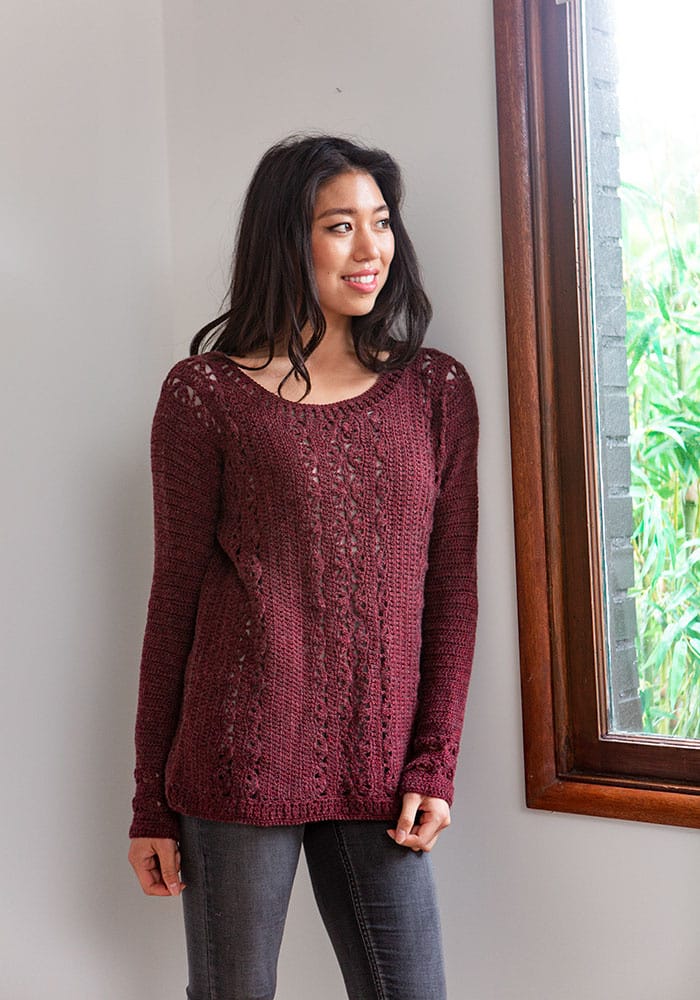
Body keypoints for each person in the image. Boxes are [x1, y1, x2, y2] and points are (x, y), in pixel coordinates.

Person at [128, 132, 479, 1000]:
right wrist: (149, 800)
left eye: (382, 223)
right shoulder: (205, 396)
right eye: (339, 226)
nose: (372, 250)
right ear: (288, 240)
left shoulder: (434, 391)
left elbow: (452, 591)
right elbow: (173, 599)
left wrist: (434, 762)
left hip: (384, 769)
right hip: (236, 761)